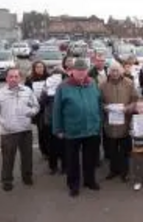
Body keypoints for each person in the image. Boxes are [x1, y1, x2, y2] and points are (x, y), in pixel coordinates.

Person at [53, 58, 102, 197]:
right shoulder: (63, 86)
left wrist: (99, 123)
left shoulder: (92, 83)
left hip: (91, 128)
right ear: (72, 71)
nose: (81, 73)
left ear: (87, 71)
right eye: (78, 70)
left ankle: (90, 181)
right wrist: (58, 129)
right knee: (72, 160)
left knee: (90, 158)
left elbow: (98, 104)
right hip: (72, 130)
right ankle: (73, 185)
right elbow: (57, 110)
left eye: (83, 70)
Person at [0, 68, 40, 191]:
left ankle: (27, 176)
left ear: (20, 78)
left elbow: (36, 105)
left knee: (27, 157)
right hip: (8, 132)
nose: (13, 79)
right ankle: (7, 181)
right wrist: (3, 122)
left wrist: (32, 112)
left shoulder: (27, 91)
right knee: (8, 158)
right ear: (6, 78)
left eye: (16, 76)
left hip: (25, 130)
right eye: (11, 76)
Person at [100, 61, 139, 182]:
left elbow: (135, 100)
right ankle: (113, 170)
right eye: (112, 70)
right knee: (111, 150)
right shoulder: (102, 85)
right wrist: (104, 107)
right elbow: (98, 102)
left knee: (124, 150)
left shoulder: (129, 83)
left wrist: (128, 108)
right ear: (109, 72)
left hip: (125, 123)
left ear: (121, 71)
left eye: (117, 70)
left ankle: (124, 172)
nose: (115, 73)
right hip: (110, 124)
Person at [40, 67, 67, 175]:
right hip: (50, 120)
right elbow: (42, 102)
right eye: (54, 75)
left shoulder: (66, 86)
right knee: (52, 145)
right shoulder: (47, 85)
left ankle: (65, 166)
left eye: (59, 75)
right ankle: (53, 166)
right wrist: (47, 91)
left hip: (63, 120)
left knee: (64, 145)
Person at [24, 61, 50, 159]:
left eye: (41, 67)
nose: (40, 69)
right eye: (37, 67)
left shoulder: (49, 78)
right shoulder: (29, 79)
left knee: (49, 130)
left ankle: (51, 149)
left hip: (48, 107)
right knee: (41, 130)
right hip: (37, 109)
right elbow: (26, 94)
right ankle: (44, 151)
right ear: (34, 68)